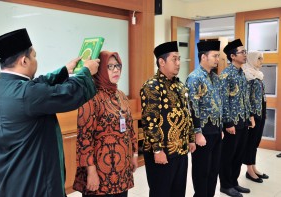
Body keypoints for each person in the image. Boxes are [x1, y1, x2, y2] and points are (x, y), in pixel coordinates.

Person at [0, 28, 100, 197]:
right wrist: (86, 71)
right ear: (24, 61)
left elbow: (39, 85)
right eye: (34, 56)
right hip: (35, 181)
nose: (35, 60)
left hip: (11, 175)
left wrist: (64, 70)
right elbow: (70, 93)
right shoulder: (27, 94)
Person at [73, 51, 138, 197]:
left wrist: (134, 153)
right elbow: (85, 138)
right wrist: (91, 172)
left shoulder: (120, 95)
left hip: (122, 169)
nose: (116, 70)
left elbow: (129, 127)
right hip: (100, 173)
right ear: (99, 69)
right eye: (110, 66)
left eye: (118, 66)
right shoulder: (90, 96)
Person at [140, 41, 196, 197]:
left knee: (178, 191)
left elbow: (187, 113)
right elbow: (149, 121)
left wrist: (190, 138)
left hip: (181, 150)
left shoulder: (180, 86)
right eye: (174, 59)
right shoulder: (152, 86)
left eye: (179, 59)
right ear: (161, 62)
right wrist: (157, 150)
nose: (178, 63)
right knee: (161, 192)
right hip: (162, 152)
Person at [186, 41, 223, 197]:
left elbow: (219, 103)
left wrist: (220, 128)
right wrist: (197, 132)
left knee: (214, 169)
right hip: (203, 132)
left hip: (216, 130)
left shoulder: (215, 77)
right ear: (203, 57)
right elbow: (191, 108)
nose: (217, 59)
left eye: (218, 56)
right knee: (202, 170)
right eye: (215, 56)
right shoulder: (195, 78)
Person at [219, 39, 255, 197]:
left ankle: (234, 182)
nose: (245, 55)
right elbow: (223, 100)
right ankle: (226, 185)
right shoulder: (226, 75)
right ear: (233, 56)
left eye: (246, 52)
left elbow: (245, 97)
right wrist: (228, 122)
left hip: (243, 120)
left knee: (239, 154)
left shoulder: (242, 73)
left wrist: (249, 116)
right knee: (228, 155)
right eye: (242, 52)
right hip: (231, 123)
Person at [242, 51, 269, 183]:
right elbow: (247, 98)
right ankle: (249, 170)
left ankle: (253, 166)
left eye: (262, 59)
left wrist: (264, 112)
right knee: (251, 142)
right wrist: (251, 115)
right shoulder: (248, 75)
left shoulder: (258, 74)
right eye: (259, 59)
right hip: (253, 115)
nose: (261, 61)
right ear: (252, 59)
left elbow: (261, 96)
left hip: (261, 112)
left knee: (256, 142)